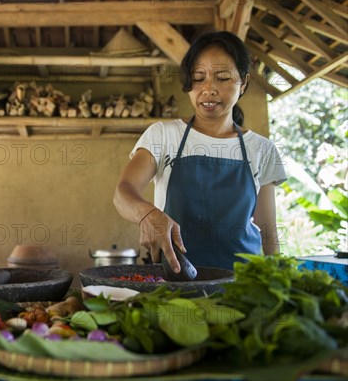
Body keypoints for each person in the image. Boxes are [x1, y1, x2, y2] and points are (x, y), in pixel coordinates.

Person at [114, 31, 287, 272]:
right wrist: (146, 213)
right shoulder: (163, 135)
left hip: (244, 286)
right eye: (198, 77)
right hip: (177, 285)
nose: (209, 89)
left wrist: (281, 280)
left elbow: (267, 230)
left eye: (223, 78)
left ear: (243, 83)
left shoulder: (262, 149)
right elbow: (123, 192)